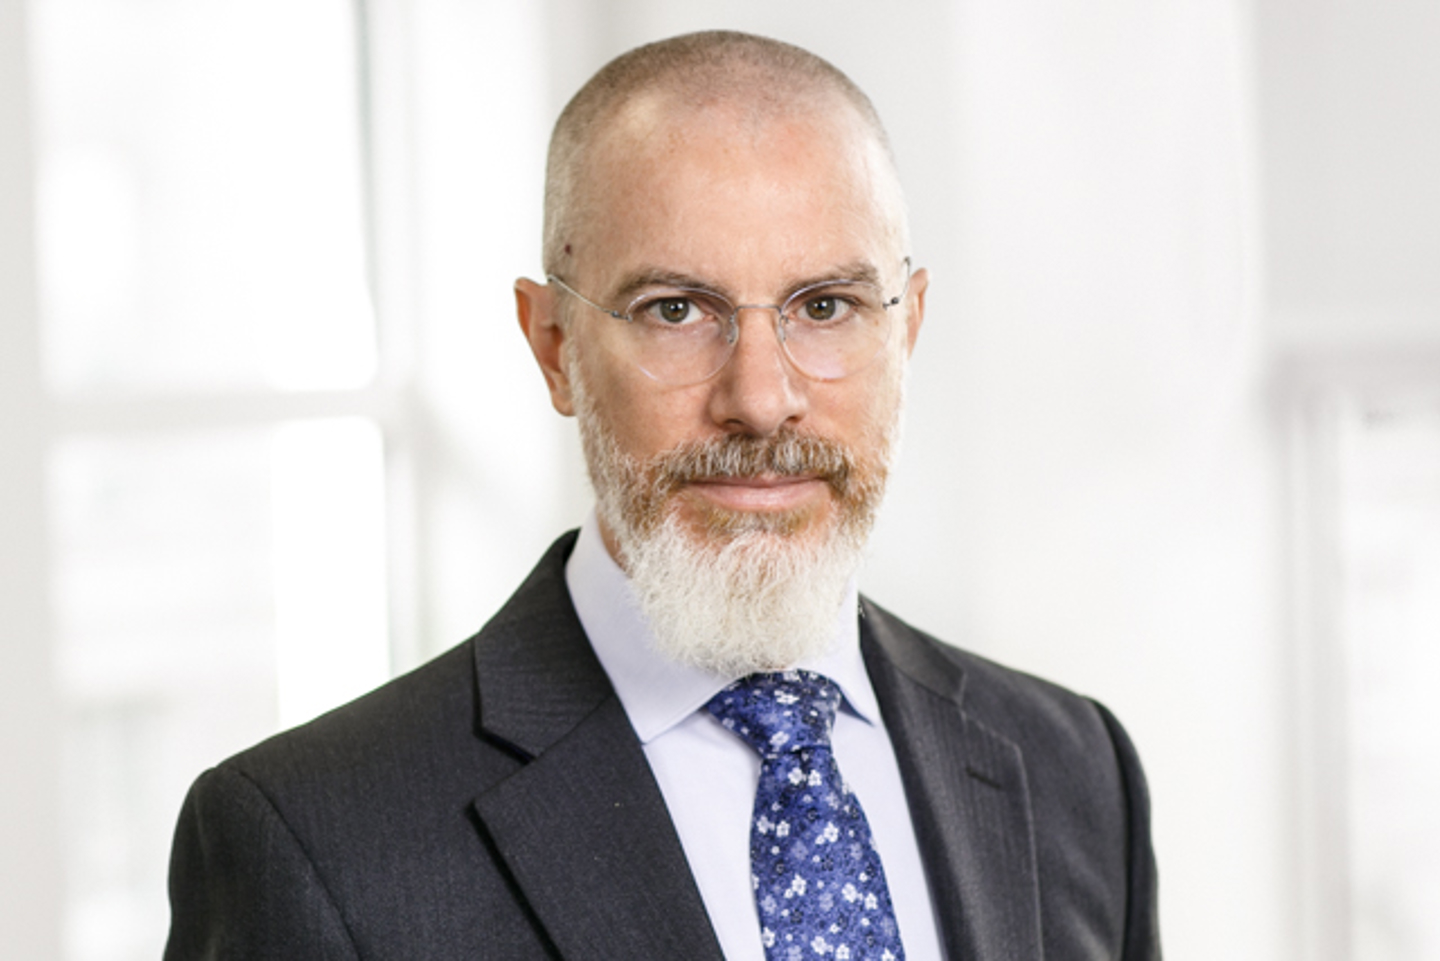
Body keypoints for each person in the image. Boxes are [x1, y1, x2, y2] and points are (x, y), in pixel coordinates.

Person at [164, 30, 1159, 961]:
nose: (760, 400)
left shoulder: (1074, 768)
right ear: (554, 346)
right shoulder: (312, 840)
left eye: (826, 305)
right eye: (676, 310)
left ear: (906, 329)